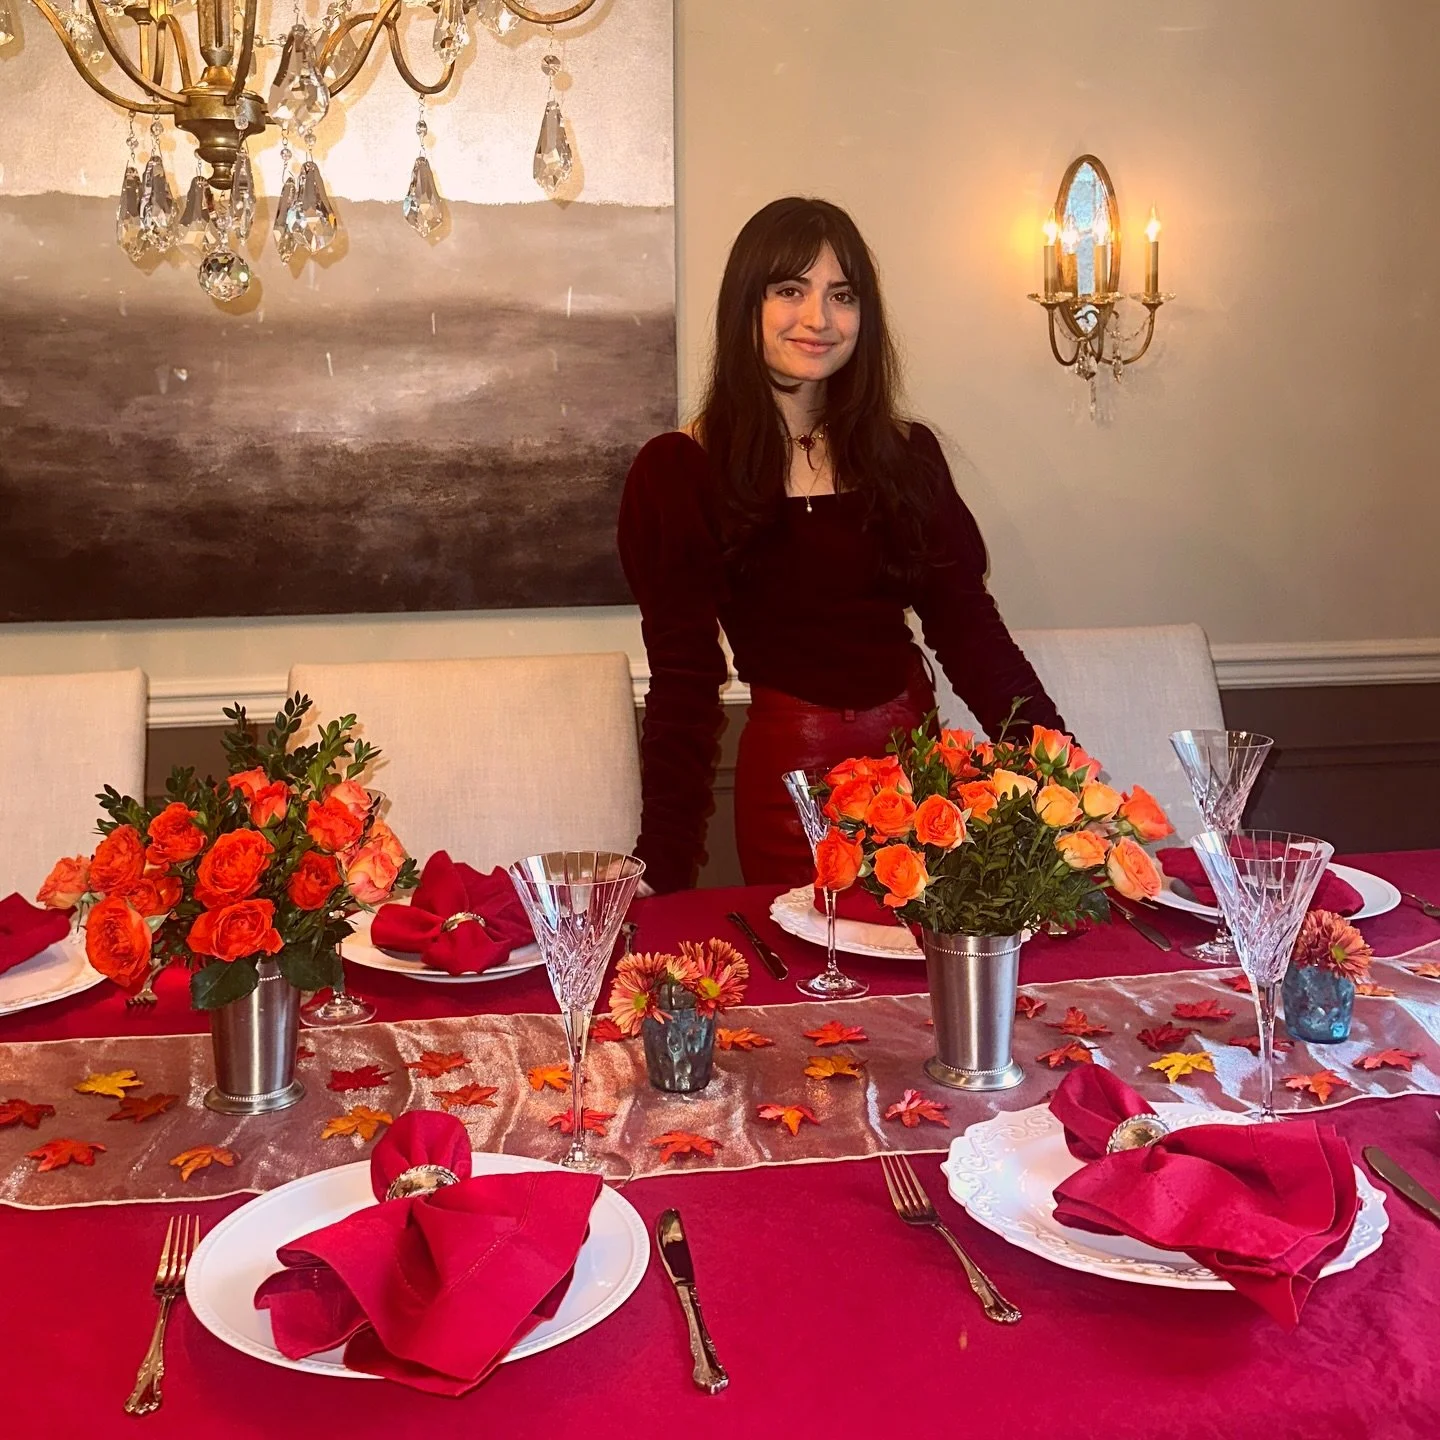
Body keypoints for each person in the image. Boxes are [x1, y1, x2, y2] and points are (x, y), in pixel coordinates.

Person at [618, 196, 1065, 893]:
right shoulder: (679, 470)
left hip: (917, 779)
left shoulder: (906, 456)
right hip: (788, 788)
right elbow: (685, 681)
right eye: (790, 290)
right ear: (747, 304)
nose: (819, 318)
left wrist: (1062, 783)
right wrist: (661, 865)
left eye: (842, 295)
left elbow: (972, 635)